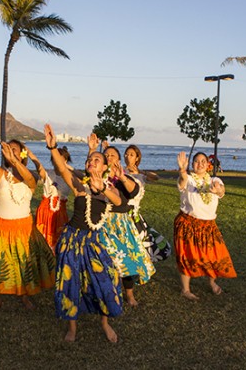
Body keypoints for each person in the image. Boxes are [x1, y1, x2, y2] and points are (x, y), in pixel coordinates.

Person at [45, 124, 123, 343]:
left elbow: (118, 201)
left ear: (106, 165)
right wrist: (52, 147)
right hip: (72, 239)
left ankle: (105, 323)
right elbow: (62, 168)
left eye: (96, 160)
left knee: (106, 280)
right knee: (70, 283)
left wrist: (102, 189)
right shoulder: (79, 184)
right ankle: (72, 327)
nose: (91, 162)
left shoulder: (110, 187)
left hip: (94, 241)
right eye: (89, 160)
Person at [0, 119, 55, 311]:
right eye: (8, 148)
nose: (11, 151)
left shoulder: (31, 177)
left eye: (15, 149)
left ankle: (25, 296)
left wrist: (15, 161)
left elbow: (28, 178)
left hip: (23, 227)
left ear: (23, 154)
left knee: (23, 263)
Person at [95, 140, 155, 308]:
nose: (109, 157)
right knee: (105, 261)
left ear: (119, 159)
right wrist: (93, 150)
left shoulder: (124, 176)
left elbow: (134, 191)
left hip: (121, 223)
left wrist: (121, 176)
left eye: (112, 155)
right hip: (102, 221)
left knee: (126, 260)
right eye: (106, 155)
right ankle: (108, 293)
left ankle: (129, 294)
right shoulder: (99, 176)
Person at [175, 151, 237, 300]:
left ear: (208, 165)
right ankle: (186, 289)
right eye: (196, 161)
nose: (200, 163)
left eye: (203, 161)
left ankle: (212, 282)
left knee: (213, 256)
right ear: (192, 165)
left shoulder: (214, 179)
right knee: (187, 257)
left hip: (208, 225)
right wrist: (182, 170)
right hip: (188, 224)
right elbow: (182, 181)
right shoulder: (189, 179)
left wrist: (217, 190)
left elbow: (221, 191)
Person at [124, 145, 171, 263]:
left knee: (142, 243)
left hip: (133, 213)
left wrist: (140, 171)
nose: (127, 157)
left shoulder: (142, 175)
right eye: (126, 154)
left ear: (137, 158)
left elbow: (156, 177)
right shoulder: (121, 171)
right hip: (122, 210)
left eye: (131, 155)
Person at [29, 145, 71, 251]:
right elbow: (39, 167)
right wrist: (29, 154)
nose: (57, 162)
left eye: (60, 159)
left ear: (65, 160)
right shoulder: (48, 174)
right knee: (42, 240)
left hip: (60, 212)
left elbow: (85, 179)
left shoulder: (71, 177)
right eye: (54, 159)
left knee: (59, 240)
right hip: (45, 211)